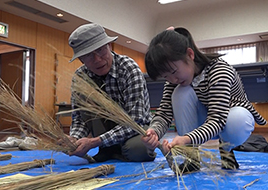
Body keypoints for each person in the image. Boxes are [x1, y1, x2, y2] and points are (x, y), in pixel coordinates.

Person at [141, 27, 267, 173]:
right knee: (180, 94)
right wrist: (154, 131)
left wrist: (187, 138)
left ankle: (226, 150)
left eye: (174, 72)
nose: (172, 79)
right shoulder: (175, 80)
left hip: (227, 117)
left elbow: (218, 119)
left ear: (190, 54)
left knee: (236, 121)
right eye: (166, 76)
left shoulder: (219, 70)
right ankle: (191, 158)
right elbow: (164, 113)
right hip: (206, 119)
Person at [67, 23, 155, 162]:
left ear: (109, 46)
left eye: (101, 50)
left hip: (136, 128)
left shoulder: (129, 69)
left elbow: (135, 120)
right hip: (103, 131)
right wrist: (74, 140)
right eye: (89, 55)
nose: (97, 59)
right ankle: (109, 149)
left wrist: (95, 142)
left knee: (138, 150)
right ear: (81, 59)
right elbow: (79, 118)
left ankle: (115, 149)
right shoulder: (80, 78)